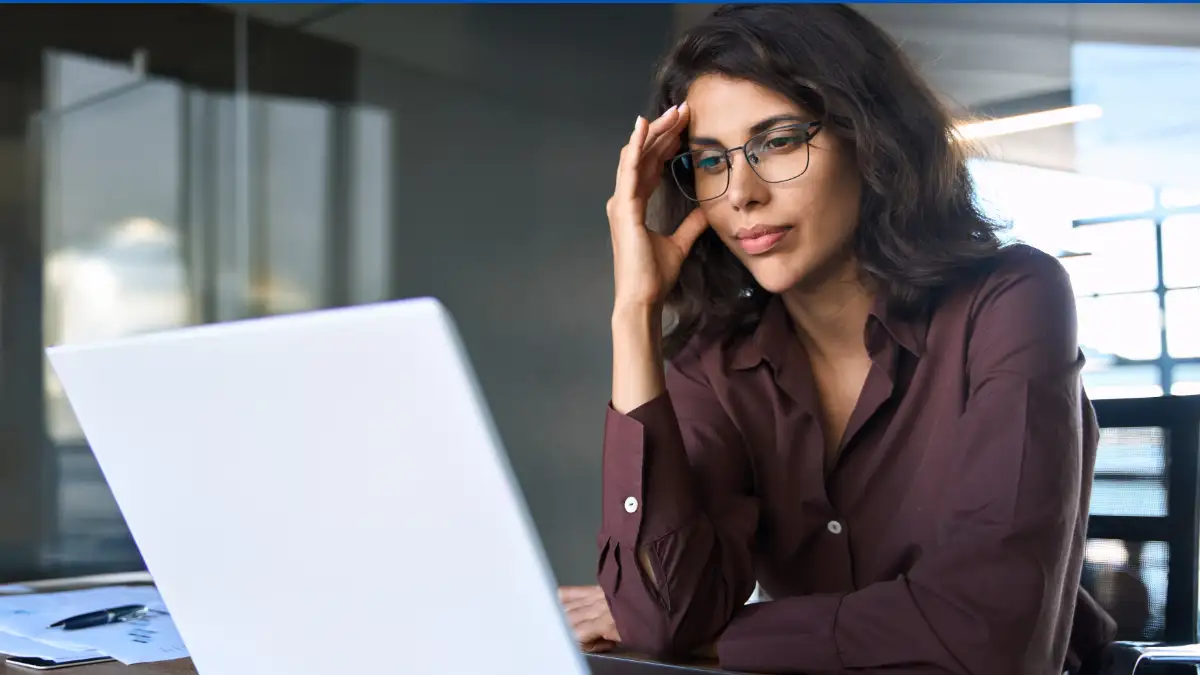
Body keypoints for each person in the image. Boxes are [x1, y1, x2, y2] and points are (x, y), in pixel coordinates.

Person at [558, 4, 1117, 674]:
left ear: (869, 137)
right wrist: (634, 310)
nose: (741, 193)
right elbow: (663, 614)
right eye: (709, 161)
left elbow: (990, 634)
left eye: (780, 141)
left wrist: (719, 635)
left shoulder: (1011, 298)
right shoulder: (716, 364)